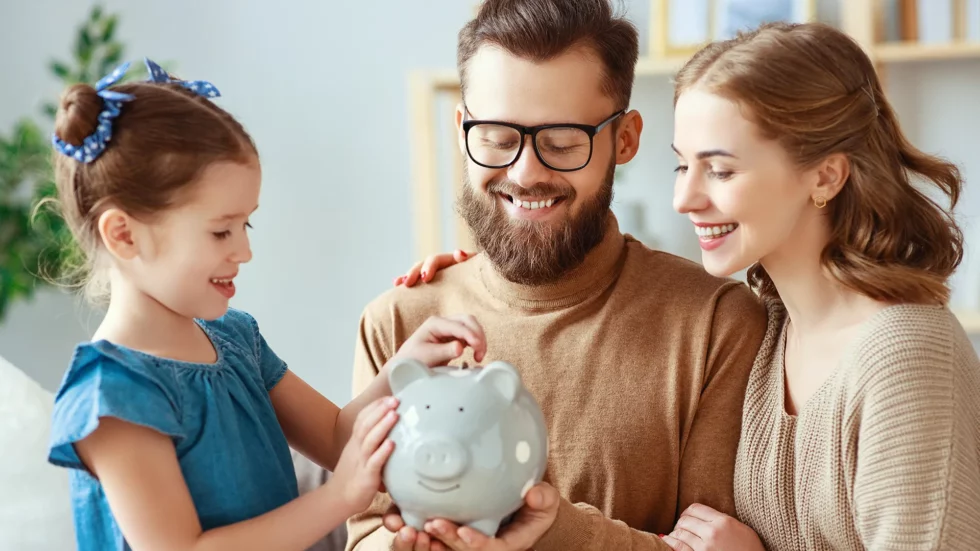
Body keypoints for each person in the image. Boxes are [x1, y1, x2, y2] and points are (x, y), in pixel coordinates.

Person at [412, 21, 980, 551]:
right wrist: (492, 269)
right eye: (684, 166)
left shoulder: (906, 356)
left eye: (723, 170)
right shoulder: (771, 330)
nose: (684, 199)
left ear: (825, 175)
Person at [340, 1, 768, 550]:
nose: (525, 173)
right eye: (495, 137)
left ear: (625, 140)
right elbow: (367, 532)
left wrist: (551, 528)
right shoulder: (399, 323)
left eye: (562, 143)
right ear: (461, 128)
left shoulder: (715, 326)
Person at [44, 58, 488, 551]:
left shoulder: (236, 339)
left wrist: (403, 368)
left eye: (245, 226)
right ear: (124, 235)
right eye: (220, 231)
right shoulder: (111, 397)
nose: (244, 252)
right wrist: (340, 497)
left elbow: (337, 437)